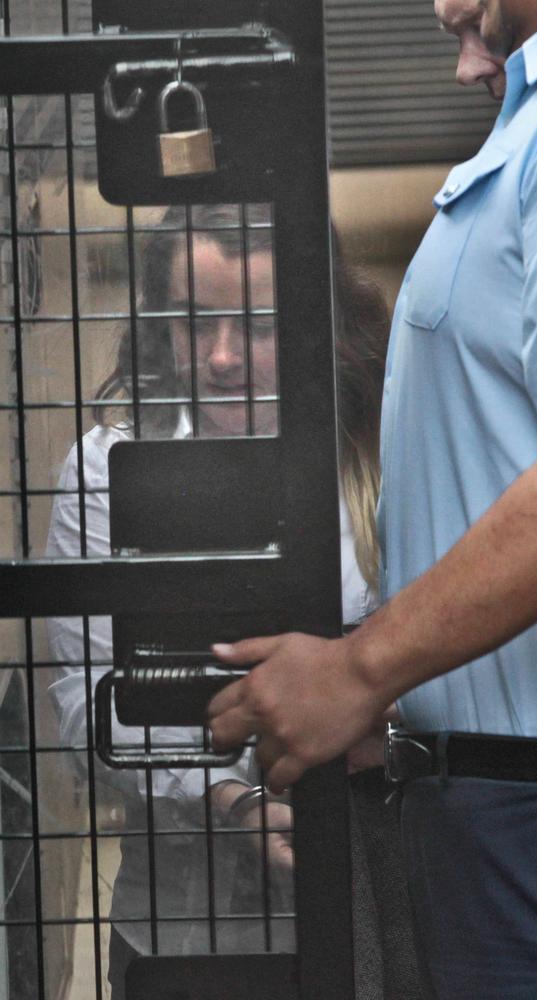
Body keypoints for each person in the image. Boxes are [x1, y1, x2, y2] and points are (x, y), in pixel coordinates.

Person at [206, 2, 537, 997]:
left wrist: (362, 667)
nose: (452, 40)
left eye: (465, 10)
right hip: (520, 803)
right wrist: (414, 704)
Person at [47, 203, 423, 998]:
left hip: (380, 888)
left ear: (315, 318)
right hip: (181, 917)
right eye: (195, 322)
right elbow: (89, 701)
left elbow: (444, 653)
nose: (219, 357)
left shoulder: (381, 448)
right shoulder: (108, 466)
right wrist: (229, 798)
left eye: (255, 326)